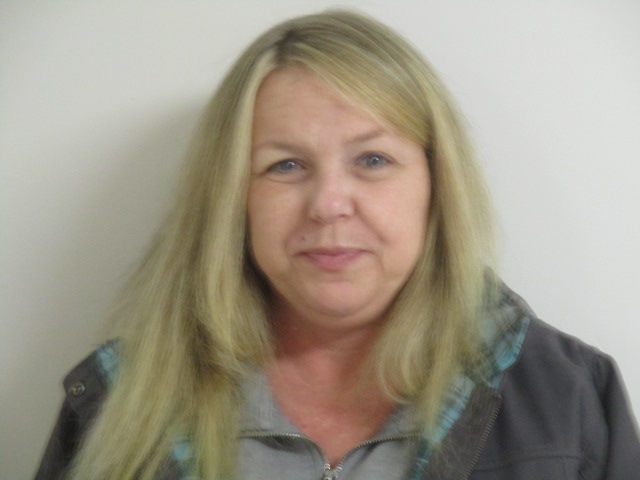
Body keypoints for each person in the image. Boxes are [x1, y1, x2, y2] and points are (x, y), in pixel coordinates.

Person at [35, 10, 640, 480]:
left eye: (372, 160)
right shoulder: (117, 404)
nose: (328, 204)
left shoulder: (572, 402)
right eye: (286, 165)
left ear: (437, 186)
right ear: (232, 200)